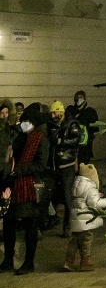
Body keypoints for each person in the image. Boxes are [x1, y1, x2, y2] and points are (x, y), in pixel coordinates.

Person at [0, 103, 50, 275]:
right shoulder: (18, 137)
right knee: (9, 223)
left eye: (27, 121)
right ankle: (7, 260)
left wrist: (18, 171)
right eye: (23, 121)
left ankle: (28, 262)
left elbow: (41, 165)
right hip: (13, 186)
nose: (24, 124)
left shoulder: (41, 140)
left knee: (30, 225)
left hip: (29, 187)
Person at [63, 164, 106, 272]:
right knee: (86, 241)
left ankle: (68, 261)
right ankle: (85, 262)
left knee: (75, 241)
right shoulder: (91, 188)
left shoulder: (77, 185)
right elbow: (94, 204)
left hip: (76, 220)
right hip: (86, 221)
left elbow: (82, 199)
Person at [48, 101, 81, 235]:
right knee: (51, 196)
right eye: (52, 113)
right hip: (55, 166)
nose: (53, 116)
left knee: (68, 198)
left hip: (67, 166)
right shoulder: (52, 125)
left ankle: (67, 226)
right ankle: (51, 220)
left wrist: (60, 142)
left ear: (61, 112)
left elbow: (77, 140)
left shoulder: (72, 124)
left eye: (55, 113)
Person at [65, 91, 99, 161]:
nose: (78, 99)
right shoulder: (70, 111)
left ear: (85, 99)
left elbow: (95, 129)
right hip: (71, 146)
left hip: (84, 148)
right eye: (77, 97)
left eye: (81, 97)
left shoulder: (90, 112)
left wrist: (88, 139)